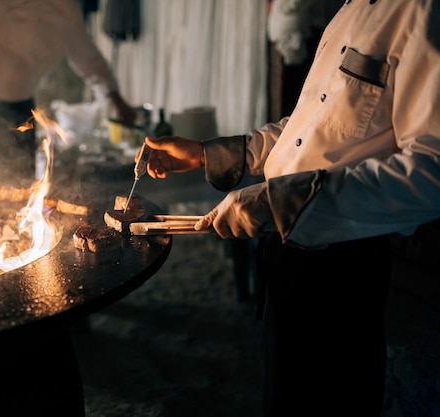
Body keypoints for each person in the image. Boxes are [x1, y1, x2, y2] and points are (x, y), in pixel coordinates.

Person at [139, 0, 440, 416]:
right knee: (284, 393)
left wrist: (275, 199)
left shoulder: (422, 14)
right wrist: (211, 154)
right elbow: (308, 127)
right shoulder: (349, 10)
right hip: (286, 252)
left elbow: (430, 174)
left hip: (341, 267)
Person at [0, 0, 136, 200]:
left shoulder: (63, 8)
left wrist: (116, 99)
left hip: (19, 108)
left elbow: (88, 57)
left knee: (17, 189)